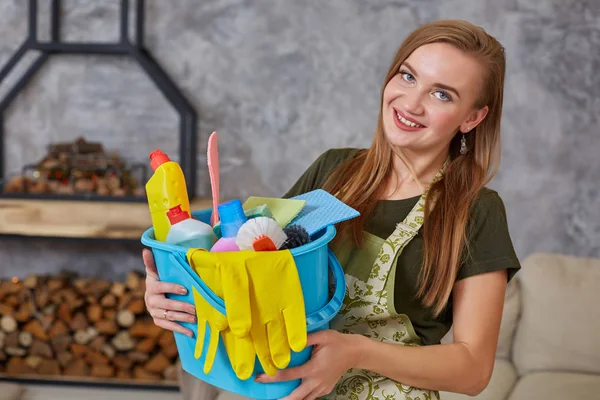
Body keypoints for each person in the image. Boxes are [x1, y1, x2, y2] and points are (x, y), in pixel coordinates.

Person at [142, 19, 521, 400]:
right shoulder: (335, 171)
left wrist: (355, 352)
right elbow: (249, 267)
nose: (411, 102)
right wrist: (175, 292)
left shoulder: (473, 211)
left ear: (472, 118)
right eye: (408, 77)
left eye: (442, 95)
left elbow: (473, 371)